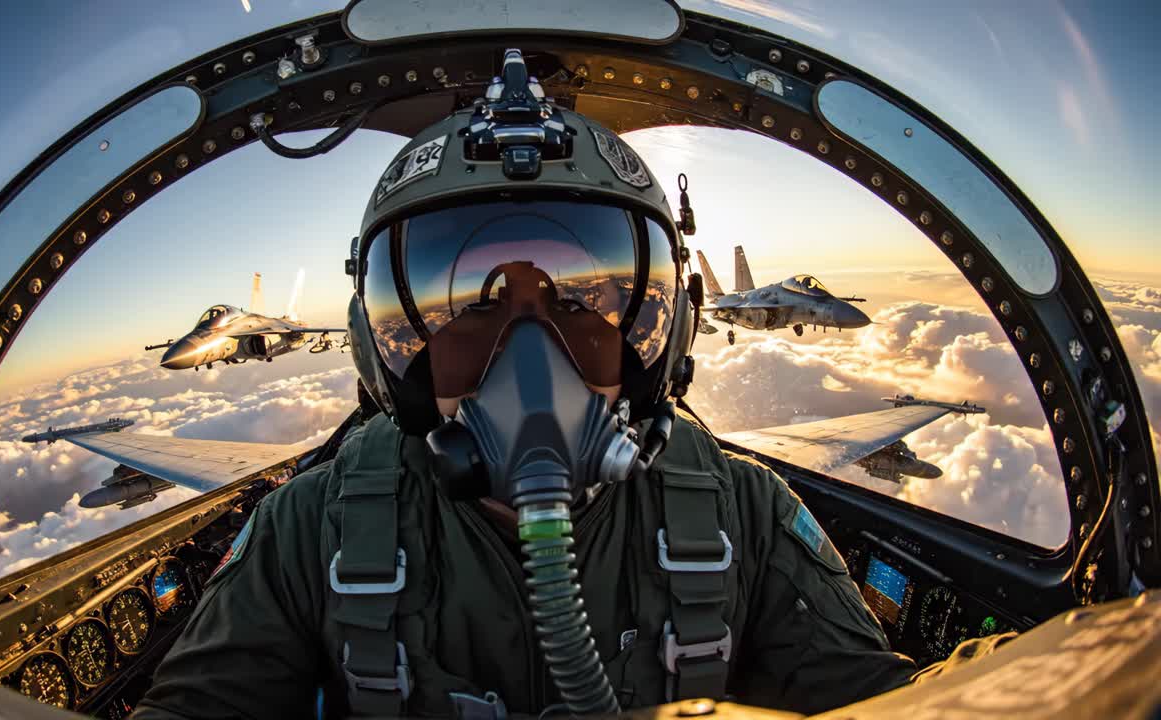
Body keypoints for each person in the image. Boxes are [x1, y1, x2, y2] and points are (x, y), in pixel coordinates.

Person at [133, 51, 915, 719]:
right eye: (468, 307)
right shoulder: (310, 528)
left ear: (663, 336)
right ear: (389, 355)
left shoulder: (745, 512)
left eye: (581, 299)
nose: (529, 355)